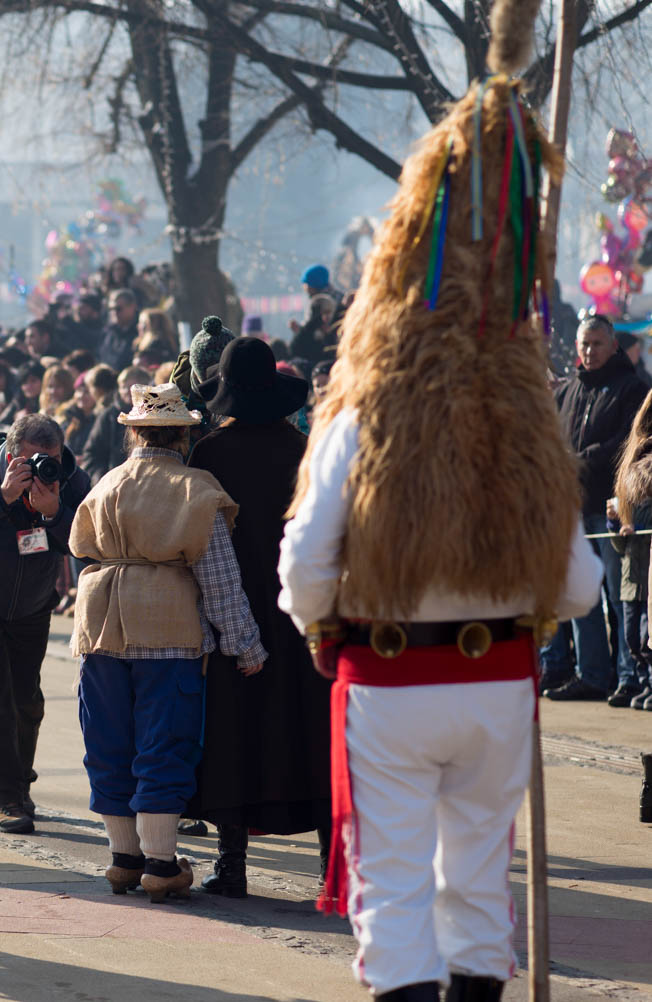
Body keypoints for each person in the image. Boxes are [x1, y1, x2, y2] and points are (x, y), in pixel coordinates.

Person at [278, 49, 602, 1001]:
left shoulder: (362, 415)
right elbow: (580, 588)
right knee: (474, 885)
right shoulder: (533, 421)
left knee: (395, 889)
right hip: (499, 681)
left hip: (387, 673)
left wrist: (318, 625)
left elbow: (302, 562)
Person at [71, 382, 266, 902]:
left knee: (108, 740)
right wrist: (246, 647)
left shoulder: (107, 482)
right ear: (183, 436)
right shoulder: (196, 489)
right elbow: (221, 581)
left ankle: (123, 859)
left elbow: (80, 549)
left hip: (101, 626)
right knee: (165, 739)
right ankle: (161, 863)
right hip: (168, 630)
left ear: (133, 432)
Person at [186, 337, 329, 897]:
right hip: (300, 612)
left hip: (232, 614)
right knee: (309, 732)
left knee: (234, 732)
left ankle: (231, 864)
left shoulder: (210, 456)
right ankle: (328, 869)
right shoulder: (303, 449)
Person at [0, 412, 90, 834]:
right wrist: (0, 497)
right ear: (14, 455)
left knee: (27, 698)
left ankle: (19, 783)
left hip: (34, 602)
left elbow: (87, 543)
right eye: (35, 460)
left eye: (50, 458)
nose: (44, 469)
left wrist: (54, 511)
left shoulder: (70, 477)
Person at [545, 314, 649, 702]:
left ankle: (630, 675)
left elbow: (627, 444)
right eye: (584, 345)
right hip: (572, 506)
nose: (590, 352)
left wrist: (579, 459)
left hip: (612, 507)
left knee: (621, 597)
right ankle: (591, 672)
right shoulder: (569, 389)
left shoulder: (631, 389)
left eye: (597, 344)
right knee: (582, 594)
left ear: (613, 346)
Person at [611, 394, 652, 709]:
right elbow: (621, 546)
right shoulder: (638, 467)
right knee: (633, 640)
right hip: (634, 578)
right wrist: (616, 524)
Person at [81, 365, 151, 483]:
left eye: (133, 387)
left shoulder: (155, 416)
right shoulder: (108, 416)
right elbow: (92, 454)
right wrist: (103, 480)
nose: (127, 392)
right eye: (124, 387)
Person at [98, 289, 140, 371]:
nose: (114, 313)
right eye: (111, 309)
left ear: (132, 306)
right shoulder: (108, 332)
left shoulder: (141, 331)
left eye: (118, 308)